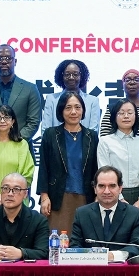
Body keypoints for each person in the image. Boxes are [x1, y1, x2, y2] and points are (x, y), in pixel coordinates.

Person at [37, 92, 99, 236]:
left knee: (83, 240)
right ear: (61, 110)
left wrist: (97, 195)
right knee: (58, 242)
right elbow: (44, 168)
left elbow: (96, 169)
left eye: (77, 107)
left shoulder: (92, 136)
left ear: (83, 110)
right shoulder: (51, 134)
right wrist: (44, 197)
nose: (73, 112)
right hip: (58, 198)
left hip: (86, 198)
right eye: (68, 107)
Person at [0, 172, 50, 260]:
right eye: (5, 188)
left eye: (16, 189)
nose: (10, 194)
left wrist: (21, 253)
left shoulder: (38, 220)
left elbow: (44, 252)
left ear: (25, 194)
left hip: (24, 268)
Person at [70, 167, 139, 253]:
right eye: (101, 186)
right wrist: (96, 255)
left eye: (112, 186)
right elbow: (74, 246)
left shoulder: (134, 214)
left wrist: (112, 255)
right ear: (95, 189)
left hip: (122, 262)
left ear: (120, 188)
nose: (106, 191)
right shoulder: (82, 214)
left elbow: (138, 247)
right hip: (91, 261)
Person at [96, 100, 139, 209]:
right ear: (114, 117)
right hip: (113, 194)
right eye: (121, 113)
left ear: (136, 116)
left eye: (130, 112)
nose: (126, 116)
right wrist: (120, 198)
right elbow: (104, 172)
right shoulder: (105, 142)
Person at [39, 59, 102, 133]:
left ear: (81, 76)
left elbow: (94, 131)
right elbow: (46, 129)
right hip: (55, 140)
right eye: (67, 74)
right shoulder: (51, 99)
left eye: (75, 74)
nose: (71, 77)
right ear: (61, 76)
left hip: (85, 140)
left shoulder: (93, 101)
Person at [99, 69, 139, 139]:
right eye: (128, 80)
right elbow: (104, 135)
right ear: (122, 84)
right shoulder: (112, 108)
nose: (132, 82)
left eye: (136, 79)